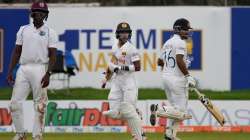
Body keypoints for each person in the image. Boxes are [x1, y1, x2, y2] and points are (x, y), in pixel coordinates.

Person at [6, 1, 58, 140]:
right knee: (14, 104)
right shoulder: (23, 29)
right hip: (23, 69)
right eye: (36, 12)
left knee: (40, 105)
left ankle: (37, 136)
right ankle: (20, 133)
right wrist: (10, 71)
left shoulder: (50, 32)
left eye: (42, 13)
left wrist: (48, 73)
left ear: (46, 15)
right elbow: (16, 52)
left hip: (40, 68)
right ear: (32, 14)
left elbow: (53, 55)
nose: (39, 15)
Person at [151, 18, 196, 140]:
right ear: (179, 29)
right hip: (177, 79)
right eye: (186, 30)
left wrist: (169, 69)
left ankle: (170, 135)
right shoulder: (181, 43)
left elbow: (160, 61)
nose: (188, 32)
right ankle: (158, 110)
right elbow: (179, 60)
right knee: (181, 112)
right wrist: (188, 76)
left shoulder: (167, 42)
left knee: (175, 109)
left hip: (166, 78)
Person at [102, 22, 145, 140]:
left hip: (129, 82)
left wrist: (120, 68)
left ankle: (139, 137)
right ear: (117, 34)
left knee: (127, 109)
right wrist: (106, 77)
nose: (125, 35)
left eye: (127, 32)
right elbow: (112, 64)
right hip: (117, 81)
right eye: (122, 32)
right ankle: (137, 116)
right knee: (115, 112)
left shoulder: (132, 49)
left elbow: (138, 67)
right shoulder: (115, 47)